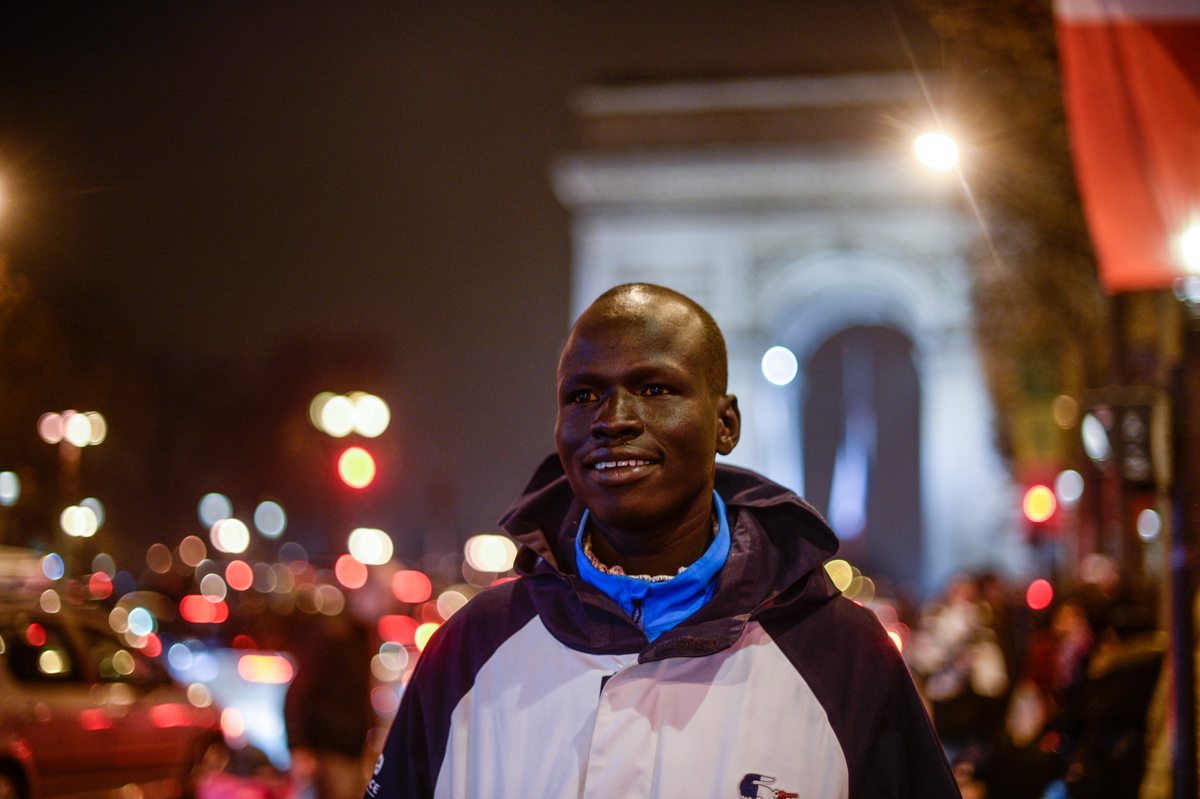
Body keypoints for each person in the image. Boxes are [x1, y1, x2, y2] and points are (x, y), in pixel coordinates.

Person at [366, 283, 960, 798]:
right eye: (583, 395)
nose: (612, 418)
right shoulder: (468, 647)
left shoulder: (848, 658)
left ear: (725, 423)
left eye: (654, 389)